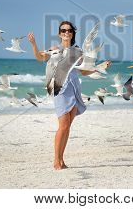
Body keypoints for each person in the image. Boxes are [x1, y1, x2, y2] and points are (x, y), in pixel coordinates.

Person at [28, 21, 110, 170]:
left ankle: (61, 160)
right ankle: (55, 161)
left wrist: (99, 68)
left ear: (72, 33)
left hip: (73, 88)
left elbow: (83, 71)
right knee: (63, 125)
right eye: (63, 30)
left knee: (67, 127)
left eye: (69, 30)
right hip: (60, 89)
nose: (66, 33)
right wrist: (34, 44)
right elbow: (40, 58)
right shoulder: (54, 49)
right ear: (59, 33)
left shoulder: (78, 51)